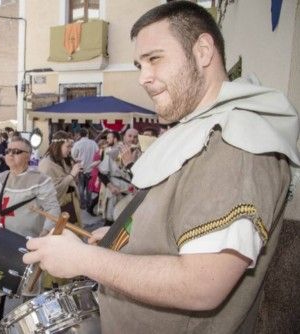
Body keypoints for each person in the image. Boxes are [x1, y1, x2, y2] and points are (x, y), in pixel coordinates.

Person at [22, 2, 300, 333]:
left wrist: (83, 260)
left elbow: (202, 283)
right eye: (140, 64)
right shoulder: (202, 131)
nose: (143, 77)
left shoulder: (234, 143)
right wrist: (120, 240)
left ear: (202, 51)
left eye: (155, 58)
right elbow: (173, 226)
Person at [0, 137, 60, 334]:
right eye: (9, 151)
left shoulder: (41, 180)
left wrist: (43, 234)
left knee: (28, 290)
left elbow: (53, 211)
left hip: (27, 245)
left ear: (28, 156)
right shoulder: (1, 178)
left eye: (17, 151)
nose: (11, 154)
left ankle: (28, 327)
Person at [39, 131, 83, 227]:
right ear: (58, 145)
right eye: (68, 147)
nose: (70, 150)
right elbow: (52, 191)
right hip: (58, 207)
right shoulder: (46, 164)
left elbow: (67, 180)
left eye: (71, 147)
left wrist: (74, 174)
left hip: (69, 203)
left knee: (73, 232)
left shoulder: (61, 160)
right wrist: (71, 174)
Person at [98, 129, 137, 225]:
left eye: (135, 137)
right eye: (130, 136)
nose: (132, 139)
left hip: (131, 193)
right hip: (115, 192)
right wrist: (111, 187)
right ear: (124, 137)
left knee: (127, 223)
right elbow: (101, 173)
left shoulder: (140, 153)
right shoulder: (113, 152)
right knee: (110, 222)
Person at [71, 128, 98, 210]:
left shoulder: (77, 144)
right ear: (87, 134)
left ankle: (82, 204)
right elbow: (97, 153)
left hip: (81, 168)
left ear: (80, 135)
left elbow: (73, 155)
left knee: (81, 188)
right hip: (91, 168)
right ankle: (89, 204)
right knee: (89, 188)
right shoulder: (93, 143)